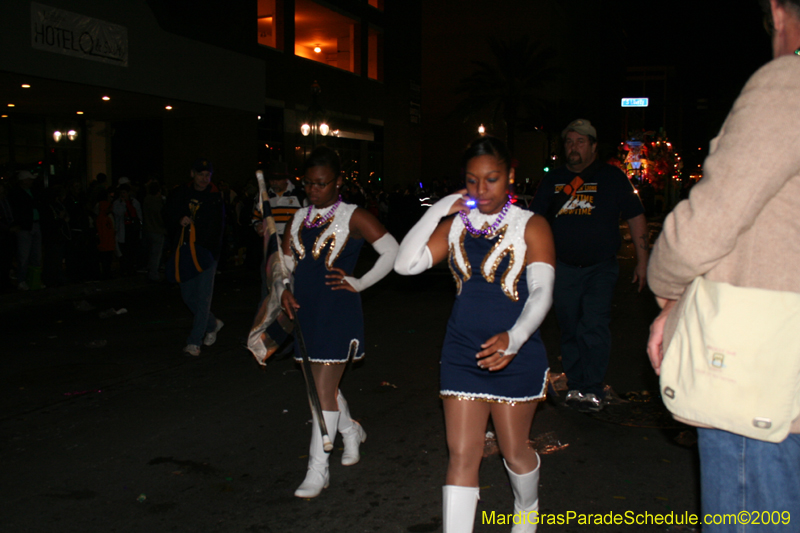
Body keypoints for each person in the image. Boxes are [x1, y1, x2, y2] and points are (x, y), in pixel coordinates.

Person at [646, 0, 800, 528]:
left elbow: (705, 226)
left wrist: (668, 290)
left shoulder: (788, 85)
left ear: (778, 13)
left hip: (762, 385)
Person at [395, 137, 555, 533]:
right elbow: (405, 264)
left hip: (516, 352)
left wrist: (514, 338)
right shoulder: (454, 226)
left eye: (492, 179)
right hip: (462, 350)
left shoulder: (531, 224)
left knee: (515, 452)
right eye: (471, 181)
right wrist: (437, 210)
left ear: (510, 177)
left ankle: (527, 510)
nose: (481, 191)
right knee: (462, 454)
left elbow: (542, 292)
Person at [278, 146, 399, 499]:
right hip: (305, 312)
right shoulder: (297, 219)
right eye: (308, 184)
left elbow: (392, 251)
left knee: (321, 392)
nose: (313, 190)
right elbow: (285, 264)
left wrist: (359, 282)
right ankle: (350, 431)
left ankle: (318, 470)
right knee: (320, 389)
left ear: (338, 182)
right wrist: (284, 289)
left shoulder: (354, 215)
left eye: (321, 184)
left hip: (338, 313)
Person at [529, 119, 648, 412]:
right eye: (569, 142)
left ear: (593, 146)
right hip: (564, 268)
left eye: (581, 142)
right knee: (569, 327)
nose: (574, 147)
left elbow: (635, 216)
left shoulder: (613, 178)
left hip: (600, 268)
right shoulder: (553, 180)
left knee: (593, 326)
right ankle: (576, 384)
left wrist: (644, 260)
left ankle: (592, 388)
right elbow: (535, 221)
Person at [165, 159, 226, 357]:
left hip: (206, 253)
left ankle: (194, 341)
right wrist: (179, 219)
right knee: (188, 296)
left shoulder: (216, 196)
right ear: (192, 174)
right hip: (184, 251)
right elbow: (167, 213)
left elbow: (220, 227)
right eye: (200, 174)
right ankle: (212, 323)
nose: (204, 179)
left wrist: (214, 255)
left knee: (203, 298)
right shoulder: (181, 192)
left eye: (207, 175)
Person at [9, 170, 44, 290]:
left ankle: (33, 279)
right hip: (25, 226)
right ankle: (22, 279)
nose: (31, 182)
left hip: (33, 224)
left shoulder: (30, 191)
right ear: (23, 181)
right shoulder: (17, 193)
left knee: (35, 255)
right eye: (29, 179)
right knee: (24, 256)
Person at [112, 180, 143, 275]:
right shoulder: (117, 203)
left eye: (124, 193)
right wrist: (123, 203)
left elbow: (139, 215)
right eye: (121, 193)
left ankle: (131, 267)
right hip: (124, 229)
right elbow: (118, 213)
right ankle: (124, 268)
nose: (123, 195)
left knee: (132, 249)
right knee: (124, 250)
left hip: (132, 228)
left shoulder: (135, 202)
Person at [142, 181, 166, 282]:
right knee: (156, 254)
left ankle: (150, 271)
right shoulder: (158, 203)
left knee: (150, 252)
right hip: (157, 230)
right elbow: (161, 217)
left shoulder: (146, 200)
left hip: (148, 229)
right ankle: (153, 273)